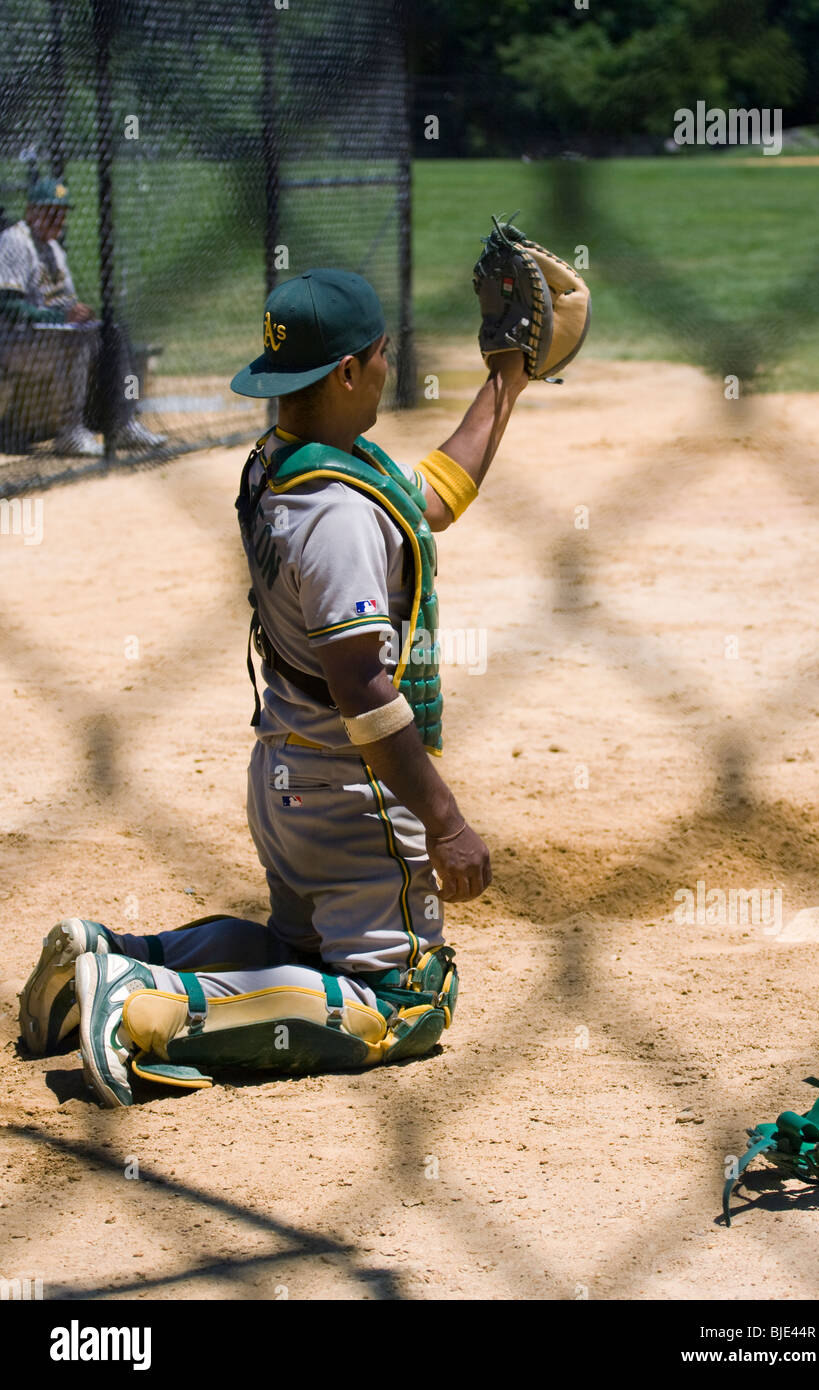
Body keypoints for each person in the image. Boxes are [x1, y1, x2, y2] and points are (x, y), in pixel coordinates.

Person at [18, 268, 529, 1106]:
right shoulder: (334, 514)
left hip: (290, 777)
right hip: (351, 794)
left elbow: (423, 499)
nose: (389, 365)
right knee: (405, 1005)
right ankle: (147, 1009)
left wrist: (504, 383)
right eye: (380, 355)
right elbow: (365, 690)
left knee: (299, 965)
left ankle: (102, 954)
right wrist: (448, 822)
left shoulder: (287, 457)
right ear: (346, 373)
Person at [0, 177, 164, 457]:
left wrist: (82, 313)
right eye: (50, 211)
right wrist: (61, 316)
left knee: (114, 330)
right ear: (31, 211)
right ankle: (70, 432)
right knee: (73, 339)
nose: (58, 219)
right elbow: (7, 305)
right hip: (14, 341)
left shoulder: (53, 249)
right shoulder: (15, 241)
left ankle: (124, 423)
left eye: (61, 213)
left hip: (47, 337)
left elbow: (67, 302)